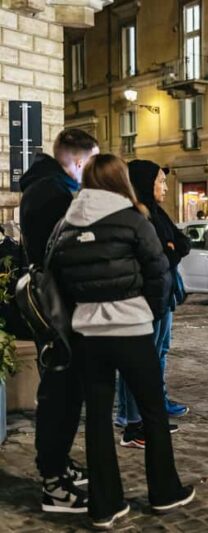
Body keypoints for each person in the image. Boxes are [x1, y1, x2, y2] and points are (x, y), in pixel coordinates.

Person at [49, 154, 194, 529]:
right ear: (120, 181)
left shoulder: (65, 224)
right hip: (131, 328)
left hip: (87, 334)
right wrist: (148, 308)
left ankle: (104, 505)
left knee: (97, 420)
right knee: (152, 412)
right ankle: (164, 492)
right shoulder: (133, 218)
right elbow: (159, 271)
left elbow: (54, 277)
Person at [18, 128, 99, 513]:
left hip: (61, 307)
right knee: (59, 394)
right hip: (58, 310)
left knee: (67, 392)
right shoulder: (52, 193)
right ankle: (53, 482)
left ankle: (58, 464)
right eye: (93, 162)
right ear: (81, 161)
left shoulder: (48, 187)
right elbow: (60, 254)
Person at [115, 160, 192, 448]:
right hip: (146, 298)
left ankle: (149, 411)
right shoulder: (137, 215)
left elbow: (181, 243)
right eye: (160, 181)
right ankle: (131, 418)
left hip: (163, 295)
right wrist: (168, 252)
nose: (165, 186)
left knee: (157, 353)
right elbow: (155, 258)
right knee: (138, 360)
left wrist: (169, 250)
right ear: (145, 182)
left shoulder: (156, 213)